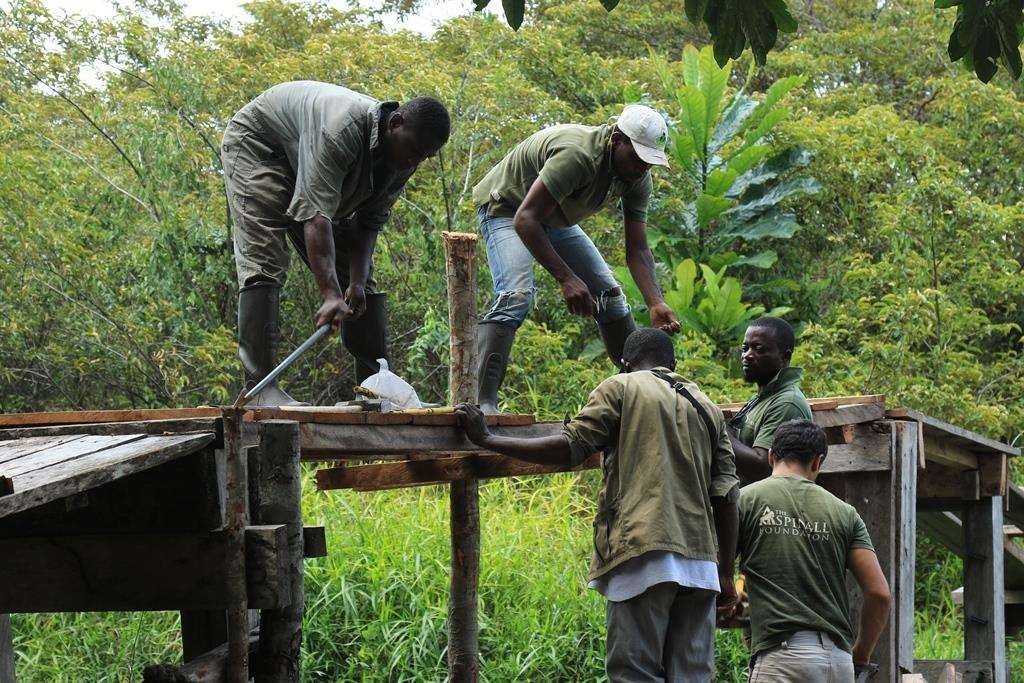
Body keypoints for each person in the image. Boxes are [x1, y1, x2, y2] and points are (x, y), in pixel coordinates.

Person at [455, 328, 739, 682]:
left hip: (643, 553)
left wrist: (488, 438)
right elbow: (727, 495)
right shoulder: (708, 407)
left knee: (634, 673)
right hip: (701, 567)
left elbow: (569, 447)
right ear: (673, 364)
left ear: (625, 363)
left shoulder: (620, 386)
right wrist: (726, 573)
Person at [222, 81, 451, 405]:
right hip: (260, 147)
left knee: (360, 285)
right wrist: (330, 295)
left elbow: (366, 225)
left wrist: (354, 283)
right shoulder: (340, 129)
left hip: (305, 156)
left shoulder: (405, 159)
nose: (415, 160)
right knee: (265, 259)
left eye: (424, 156)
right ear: (395, 123)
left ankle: (376, 388)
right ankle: (261, 389)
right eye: (414, 149)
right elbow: (316, 216)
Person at [471, 105, 681, 413]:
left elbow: (637, 250)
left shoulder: (638, 178)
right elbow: (525, 219)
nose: (641, 167)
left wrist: (655, 301)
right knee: (516, 295)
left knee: (611, 296)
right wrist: (567, 278)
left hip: (554, 217)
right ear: (617, 139)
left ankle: (640, 394)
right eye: (637, 157)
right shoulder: (579, 155)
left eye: (649, 161)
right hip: (508, 208)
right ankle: (483, 402)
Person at [738, 419, 891, 682]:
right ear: (818, 462)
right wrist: (861, 654)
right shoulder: (846, 514)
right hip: (837, 661)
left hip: (782, 658)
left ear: (772, 455)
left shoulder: (746, 500)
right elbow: (879, 594)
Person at [727, 317, 812, 482]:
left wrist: (721, 433)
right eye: (745, 348)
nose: (747, 355)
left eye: (758, 349)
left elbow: (762, 467)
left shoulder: (786, 403)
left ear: (785, 356)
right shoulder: (764, 396)